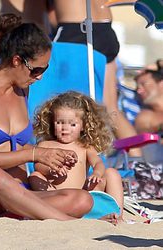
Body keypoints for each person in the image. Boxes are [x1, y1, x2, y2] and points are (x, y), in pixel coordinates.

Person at [0, 13, 93, 220]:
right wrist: (34, 154)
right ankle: (67, 222)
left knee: (83, 199)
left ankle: (21, 210)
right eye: (36, 70)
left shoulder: (22, 90)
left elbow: (15, 146)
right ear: (17, 60)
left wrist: (52, 155)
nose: (40, 77)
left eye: (44, 69)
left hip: (21, 192)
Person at [52, 0, 142, 158]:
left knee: (64, 103)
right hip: (105, 29)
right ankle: (138, 162)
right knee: (110, 106)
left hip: (74, 32)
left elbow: (38, 18)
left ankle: (79, 164)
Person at [29, 91, 124, 219]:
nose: (65, 128)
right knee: (35, 176)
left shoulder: (85, 147)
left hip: (83, 196)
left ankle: (117, 214)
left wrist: (96, 173)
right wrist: (51, 169)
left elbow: (98, 163)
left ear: (83, 126)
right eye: (60, 122)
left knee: (112, 173)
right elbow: (38, 166)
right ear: (52, 122)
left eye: (72, 124)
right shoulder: (45, 145)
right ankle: (47, 207)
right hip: (55, 194)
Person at [134, 59, 163, 134]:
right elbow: (142, 135)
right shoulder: (145, 116)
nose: (139, 91)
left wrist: (158, 65)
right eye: (137, 87)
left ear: (161, 83)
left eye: (144, 84)